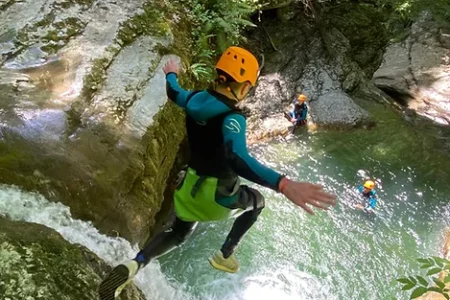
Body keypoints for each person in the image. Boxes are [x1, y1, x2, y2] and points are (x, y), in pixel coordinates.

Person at [99, 46, 337, 300]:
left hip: (189, 188)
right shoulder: (232, 118)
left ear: (219, 75)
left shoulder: (193, 100)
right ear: (244, 87)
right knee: (258, 201)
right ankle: (226, 254)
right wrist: (284, 184)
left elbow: (173, 92)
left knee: (178, 233)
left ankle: (135, 263)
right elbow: (236, 158)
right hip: (218, 197)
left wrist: (171, 74)